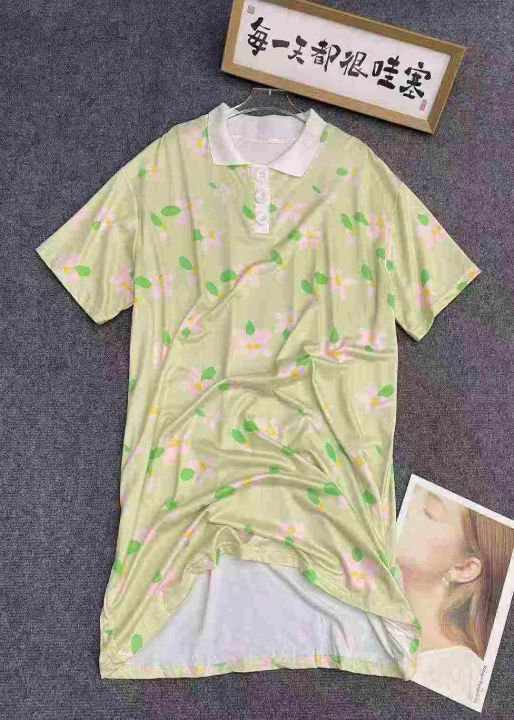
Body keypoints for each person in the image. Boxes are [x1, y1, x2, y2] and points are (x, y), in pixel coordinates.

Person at [396, 484, 514, 706]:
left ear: (464, 568)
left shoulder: (464, 677)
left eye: (430, 509)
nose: (409, 502)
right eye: (416, 492)